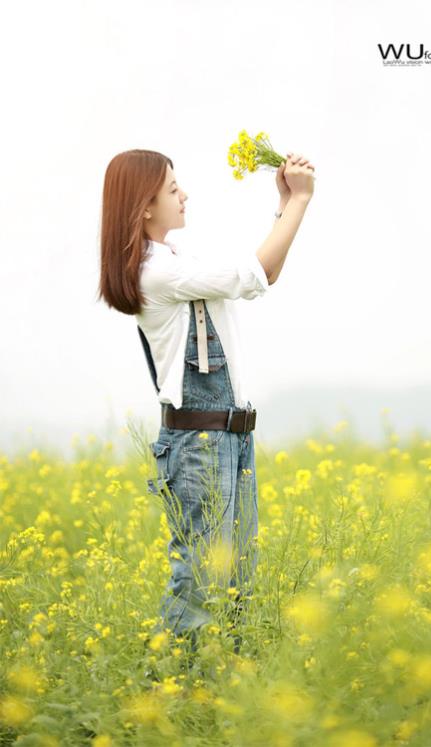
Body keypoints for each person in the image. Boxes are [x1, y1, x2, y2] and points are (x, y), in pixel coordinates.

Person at [97, 147, 315, 663]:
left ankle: (217, 700)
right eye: (173, 188)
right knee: (199, 586)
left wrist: (283, 205)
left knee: (235, 582)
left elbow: (264, 275)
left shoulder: (174, 262)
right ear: (143, 206)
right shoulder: (157, 273)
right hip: (199, 443)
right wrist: (301, 200)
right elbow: (257, 274)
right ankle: (162, 702)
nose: (184, 194)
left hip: (228, 437)